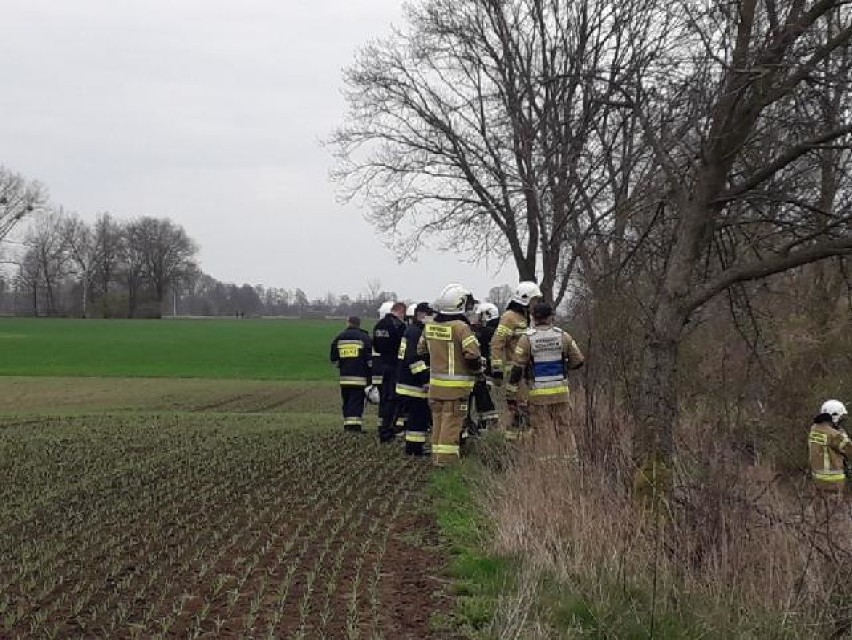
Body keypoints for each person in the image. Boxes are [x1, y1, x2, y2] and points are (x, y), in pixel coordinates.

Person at [418, 283, 483, 466]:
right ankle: (447, 464)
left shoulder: (429, 326)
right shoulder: (461, 327)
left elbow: (421, 351)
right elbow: (472, 354)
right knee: (452, 424)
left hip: (435, 386)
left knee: (438, 424)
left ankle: (437, 458)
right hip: (456, 389)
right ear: (460, 304)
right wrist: (478, 372)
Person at [506, 303, 584, 452]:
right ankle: (569, 461)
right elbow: (579, 361)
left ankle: (546, 463)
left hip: (538, 395)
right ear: (551, 317)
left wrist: (510, 393)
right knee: (564, 429)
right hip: (561, 394)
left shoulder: (527, 339)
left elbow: (517, 369)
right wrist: (563, 367)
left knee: (542, 430)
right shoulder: (563, 336)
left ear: (533, 317)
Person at [490, 281, 543, 436]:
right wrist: (497, 369)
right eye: (534, 300)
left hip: (530, 372)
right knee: (519, 409)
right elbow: (497, 343)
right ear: (525, 299)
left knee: (531, 409)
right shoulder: (509, 317)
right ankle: (515, 445)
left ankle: (527, 442)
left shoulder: (530, 318)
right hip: (515, 373)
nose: (536, 304)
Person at [396, 302, 433, 455]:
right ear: (421, 315)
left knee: (414, 418)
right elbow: (414, 359)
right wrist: (425, 379)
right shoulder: (416, 333)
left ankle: (414, 447)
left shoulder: (410, 330)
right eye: (429, 315)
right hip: (413, 386)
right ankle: (414, 449)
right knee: (418, 418)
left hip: (406, 382)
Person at [329, 316, 372, 432]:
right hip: (359, 377)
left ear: (348, 323)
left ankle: (347, 425)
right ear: (359, 324)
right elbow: (370, 358)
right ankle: (355, 427)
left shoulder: (339, 337)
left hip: (344, 377)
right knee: (356, 402)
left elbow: (333, 358)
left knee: (347, 401)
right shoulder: (364, 337)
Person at [373, 301, 407, 442]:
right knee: (394, 399)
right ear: (400, 312)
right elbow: (403, 347)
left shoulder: (379, 325)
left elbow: (376, 345)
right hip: (395, 366)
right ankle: (388, 431)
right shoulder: (399, 326)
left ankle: (384, 428)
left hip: (383, 365)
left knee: (386, 398)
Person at [809, 400, 851, 493]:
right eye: (840, 418)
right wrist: (842, 434)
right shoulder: (834, 434)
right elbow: (849, 449)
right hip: (833, 483)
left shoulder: (815, 428)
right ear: (834, 416)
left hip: (817, 481)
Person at [370, 301, 394, 431]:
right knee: (390, 399)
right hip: (389, 370)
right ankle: (388, 425)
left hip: (377, 370)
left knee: (383, 399)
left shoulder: (377, 328)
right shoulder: (395, 328)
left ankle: (381, 424)